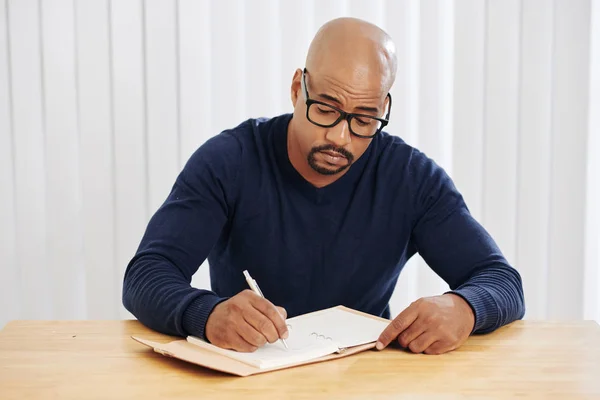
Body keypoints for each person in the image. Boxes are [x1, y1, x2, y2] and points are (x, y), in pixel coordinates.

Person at [122, 17, 525, 355]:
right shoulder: (229, 160)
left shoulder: (412, 178)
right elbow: (146, 276)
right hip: (247, 377)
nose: (341, 138)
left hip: (362, 377)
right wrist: (206, 314)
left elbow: (501, 280)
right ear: (298, 88)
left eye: (364, 119)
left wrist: (463, 307)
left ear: (384, 108)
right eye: (326, 109)